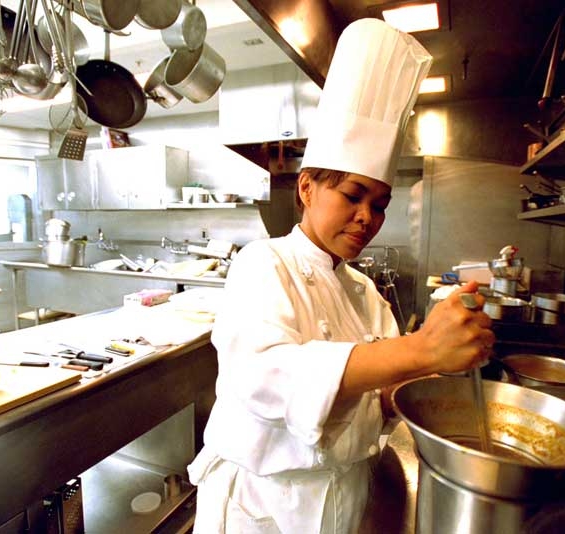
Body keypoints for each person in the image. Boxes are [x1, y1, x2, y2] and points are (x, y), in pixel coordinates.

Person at [187, 19, 495, 533]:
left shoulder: (365, 291)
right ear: (307, 188)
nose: (367, 218)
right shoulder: (264, 263)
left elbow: (379, 392)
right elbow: (262, 378)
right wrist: (420, 349)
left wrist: (425, 384)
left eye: (379, 205)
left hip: (344, 503)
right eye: (352, 196)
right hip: (263, 510)